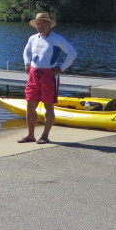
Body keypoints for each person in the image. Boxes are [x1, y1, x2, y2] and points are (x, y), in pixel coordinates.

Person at [19, 12, 77, 144]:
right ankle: (30, 135)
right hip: (34, 74)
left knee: (48, 106)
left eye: (43, 23)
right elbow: (26, 51)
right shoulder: (33, 38)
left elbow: (72, 52)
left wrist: (61, 68)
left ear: (49, 24)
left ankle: (45, 136)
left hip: (49, 76)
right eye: (38, 23)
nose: (40, 26)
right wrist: (27, 63)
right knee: (30, 105)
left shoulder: (57, 39)